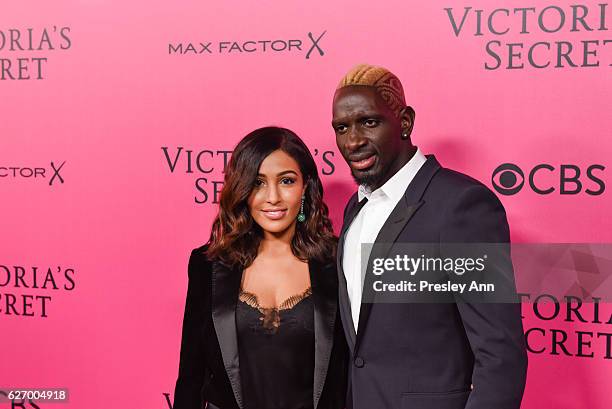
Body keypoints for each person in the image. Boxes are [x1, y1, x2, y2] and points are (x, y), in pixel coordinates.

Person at [331, 64, 527, 409]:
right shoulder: (355, 208)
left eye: (369, 122)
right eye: (342, 127)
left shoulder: (461, 206)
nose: (353, 140)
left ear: (405, 122)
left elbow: (500, 354)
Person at [173, 127, 347, 409]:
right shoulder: (207, 266)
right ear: (242, 190)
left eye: (287, 181)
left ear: (306, 187)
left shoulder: (339, 263)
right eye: (258, 183)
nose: (273, 197)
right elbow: (190, 376)